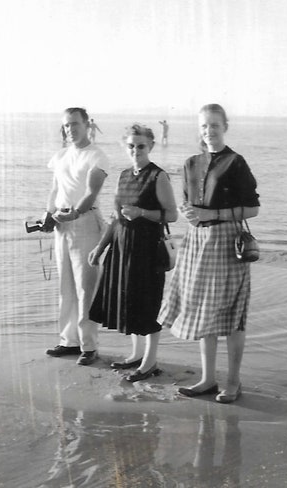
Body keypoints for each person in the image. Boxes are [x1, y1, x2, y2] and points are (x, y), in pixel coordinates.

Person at [157, 104, 260, 402]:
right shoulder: (190, 163)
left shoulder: (236, 162)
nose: (209, 130)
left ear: (224, 126)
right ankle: (207, 379)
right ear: (199, 128)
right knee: (204, 310)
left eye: (214, 125)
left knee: (231, 313)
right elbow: (189, 207)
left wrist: (211, 213)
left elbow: (253, 209)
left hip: (227, 242)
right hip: (197, 240)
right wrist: (191, 214)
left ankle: (233, 381)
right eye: (204, 126)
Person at [89, 124, 178, 381]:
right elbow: (115, 218)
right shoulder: (124, 175)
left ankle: (150, 363)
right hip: (123, 246)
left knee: (148, 304)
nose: (136, 150)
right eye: (131, 146)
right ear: (124, 147)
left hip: (148, 248)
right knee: (130, 303)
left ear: (150, 146)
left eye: (141, 146)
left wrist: (142, 213)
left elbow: (171, 214)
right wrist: (100, 247)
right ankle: (136, 355)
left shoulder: (158, 176)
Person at [43, 107, 110, 365]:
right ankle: (67, 341)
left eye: (75, 124)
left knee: (86, 287)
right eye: (67, 126)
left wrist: (75, 213)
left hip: (86, 222)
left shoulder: (97, 156)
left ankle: (89, 346)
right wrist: (48, 215)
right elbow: (55, 190)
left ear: (87, 125)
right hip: (62, 225)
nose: (70, 129)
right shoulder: (61, 156)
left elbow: (92, 192)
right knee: (66, 287)